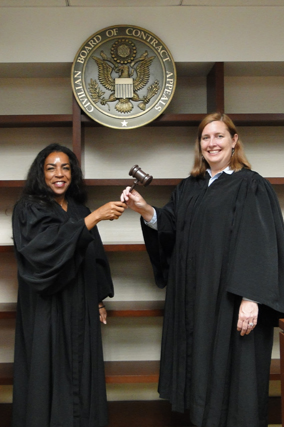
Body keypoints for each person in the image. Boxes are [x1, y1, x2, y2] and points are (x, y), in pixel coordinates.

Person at [120, 113, 284, 427]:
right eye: (205, 138)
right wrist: (144, 209)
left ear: (234, 140)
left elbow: (260, 242)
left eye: (219, 136)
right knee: (202, 372)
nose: (212, 143)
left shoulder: (251, 185)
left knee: (234, 373)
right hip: (197, 300)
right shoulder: (190, 187)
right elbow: (170, 226)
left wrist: (252, 298)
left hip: (231, 301)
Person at [12, 143, 126, 427]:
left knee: (80, 369)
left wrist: (99, 299)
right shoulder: (28, 209)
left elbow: (94, 256)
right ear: (41, 174)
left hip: (81, 304)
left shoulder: (79, 209)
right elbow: (41, 252)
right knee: (47, 369)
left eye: (65, 167)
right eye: (51, 168)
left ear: (73, 173)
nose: (58, 174)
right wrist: (94, 218)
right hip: (46, 307)